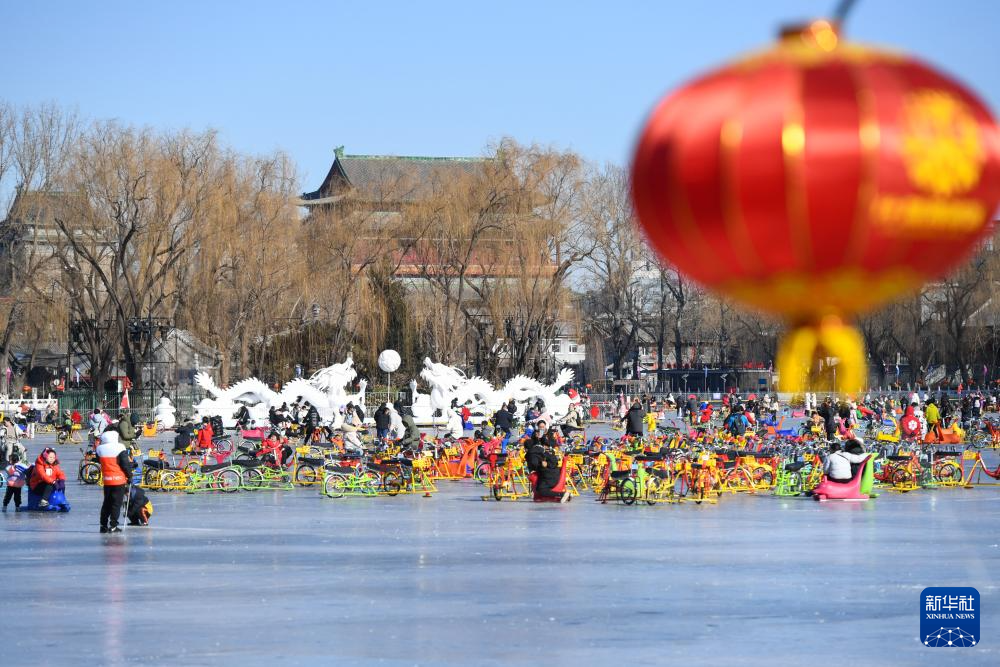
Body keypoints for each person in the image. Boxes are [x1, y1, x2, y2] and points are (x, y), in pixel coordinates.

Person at [95, 431, 133, 533]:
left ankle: (103, 525)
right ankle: (113, 525)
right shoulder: (120, 448)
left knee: (107, 503)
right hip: (119, 480)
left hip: (107, 480)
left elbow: (98, 460)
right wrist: (129, 476)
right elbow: (125, 464)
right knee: (116, 504)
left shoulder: (100, 449)